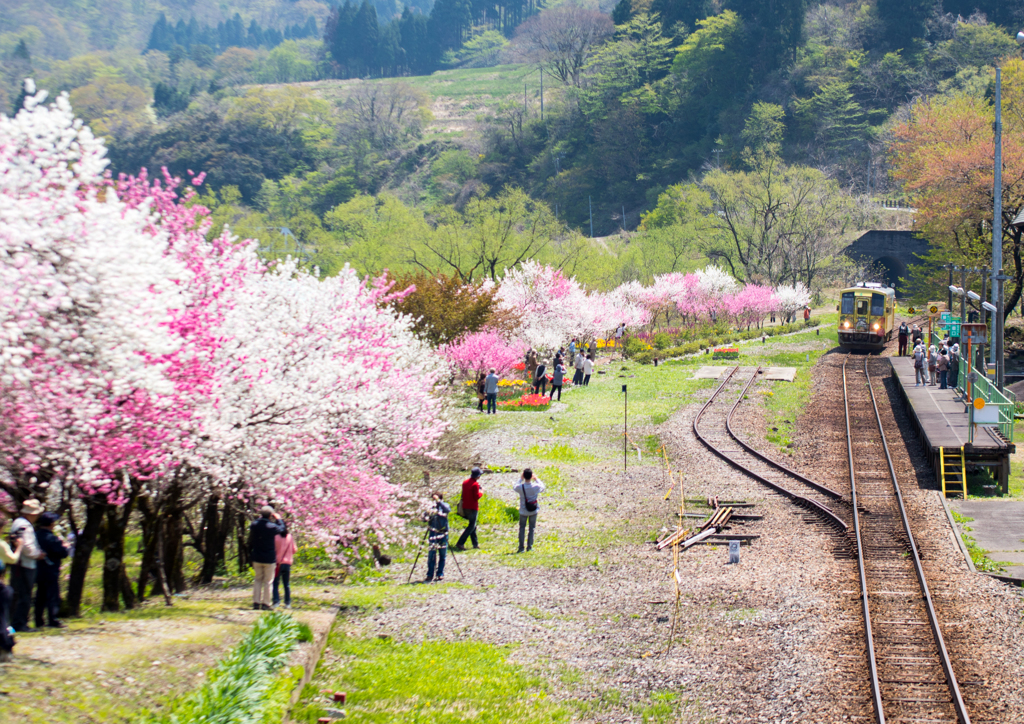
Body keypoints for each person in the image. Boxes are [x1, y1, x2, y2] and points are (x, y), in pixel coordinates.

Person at [10, 499, 45, 632]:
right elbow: (27, 547)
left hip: (18, 563)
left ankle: (14, 621)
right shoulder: (25, 526)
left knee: (17, 593)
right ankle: (20, 623)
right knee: (24, 595)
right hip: (25, 564)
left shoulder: (17, 523)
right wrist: (38, 554)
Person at [33, 512, 68, 629]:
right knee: (52, 596)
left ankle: (38, 620)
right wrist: (65, 546)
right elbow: (63, 553)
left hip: (38, 569)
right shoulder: (52, 538)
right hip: (51, 570)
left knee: (40, 596)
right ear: (51, 523)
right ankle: (52, 619)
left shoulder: (35, 535)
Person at [248, 506, 286, 611]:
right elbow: (282, 529)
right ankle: (266, 603)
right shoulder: (272, 527)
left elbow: (254, 527)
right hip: (269, 558)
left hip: (257, 556)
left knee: (258, 580)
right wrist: (279, 519)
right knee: (268, 581)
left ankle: (256, 602)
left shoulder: (254, 525)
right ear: (270, 515)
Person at [0, 514, 25, 662]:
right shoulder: (1, 544)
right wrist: (19, 546)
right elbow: (13, 559)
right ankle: (5, 647)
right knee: (2, 618)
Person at [513, 469, 546, 553]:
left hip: (523, 511)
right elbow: (543, 486)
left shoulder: (520, 487)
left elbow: (514, 486)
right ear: (531, 476)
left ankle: (521, 547)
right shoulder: (536, 487)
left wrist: (520, 479)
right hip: (533, 510)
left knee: (522, 528)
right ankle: (530, 546)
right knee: (532, 528)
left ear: (524, 476)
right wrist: (536, 479)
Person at [454, 467, 483, 551]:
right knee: (471, 526)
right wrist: (482, 492)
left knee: (472, 525)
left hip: (465, 506)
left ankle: (475, 544)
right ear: (477, 476)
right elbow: (476, 497)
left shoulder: (465, 482)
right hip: (473, 507)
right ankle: (460, 542)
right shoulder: (475, 485)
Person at [425, 492, 450, 583]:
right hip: (433, 532)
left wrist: (439, 502)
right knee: (431, 555)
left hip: (443, 532)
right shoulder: (430, 508)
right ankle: (430, 574)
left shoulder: (444, 505)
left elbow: (447, 510)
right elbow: (424, 518)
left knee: (442, 554)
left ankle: (440, 573)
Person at [273, 526, 297, 609]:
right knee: (286, 584)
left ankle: (276, 601)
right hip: (287, 563)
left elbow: (273, 549)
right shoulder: (290, 537)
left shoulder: (275, 537)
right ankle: (287, 603)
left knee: (275, 583)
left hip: (278, 563)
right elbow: (294, 550)